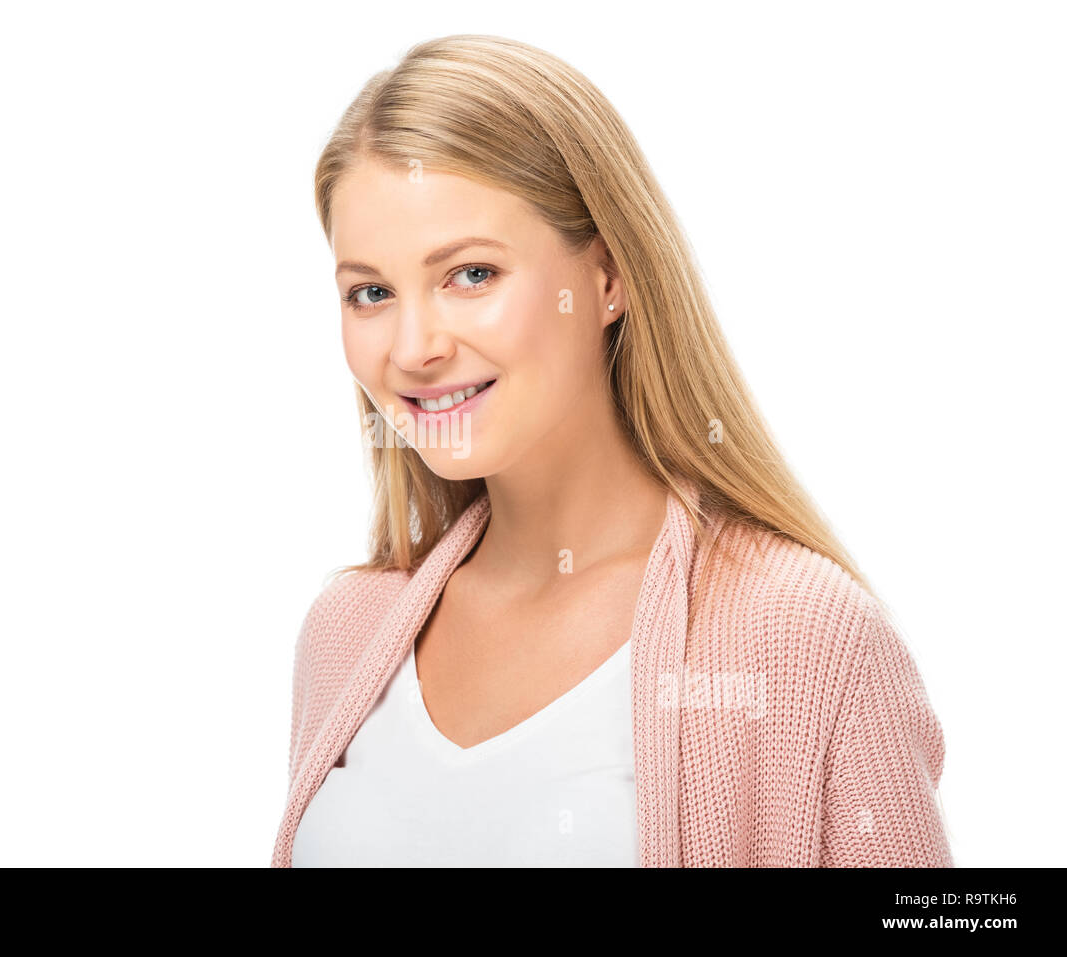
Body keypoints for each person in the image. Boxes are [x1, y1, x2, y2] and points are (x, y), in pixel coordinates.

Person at [272, 34, 952, 867]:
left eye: (472, 275)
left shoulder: (803, 635)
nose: (413, 347)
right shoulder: (345, 634)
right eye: (370, 292)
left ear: (608, 276)